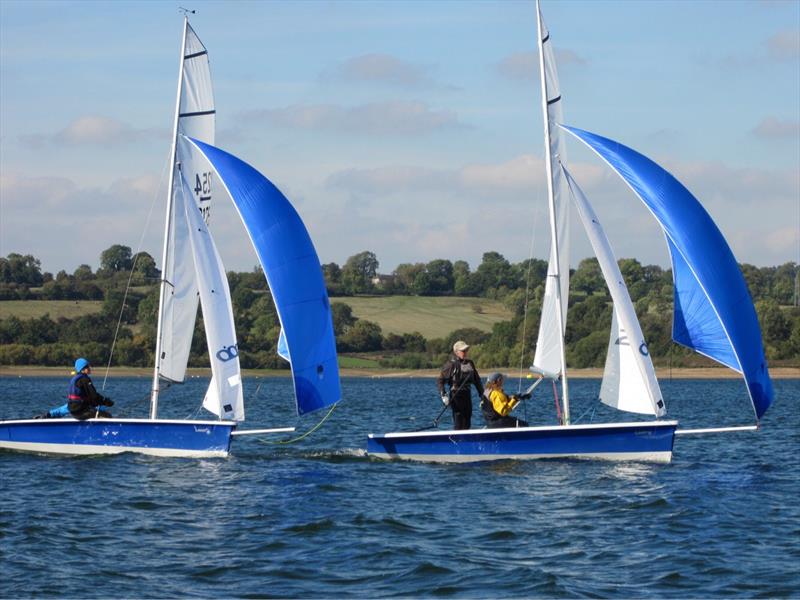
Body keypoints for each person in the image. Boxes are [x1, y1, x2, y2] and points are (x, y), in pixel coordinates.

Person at [436, 340, 483, 430]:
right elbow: (440, 380)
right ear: (456, 352)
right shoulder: (451, 365)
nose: (465, 353)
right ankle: (457, 440)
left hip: (467, 394)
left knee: (467, 419)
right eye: (463, 351)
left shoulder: (470, 363)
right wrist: (443, 395)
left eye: (466, 350)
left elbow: (477, 380)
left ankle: (466, 441)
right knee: (458, 420)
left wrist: (482, 395)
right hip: (455, 395)